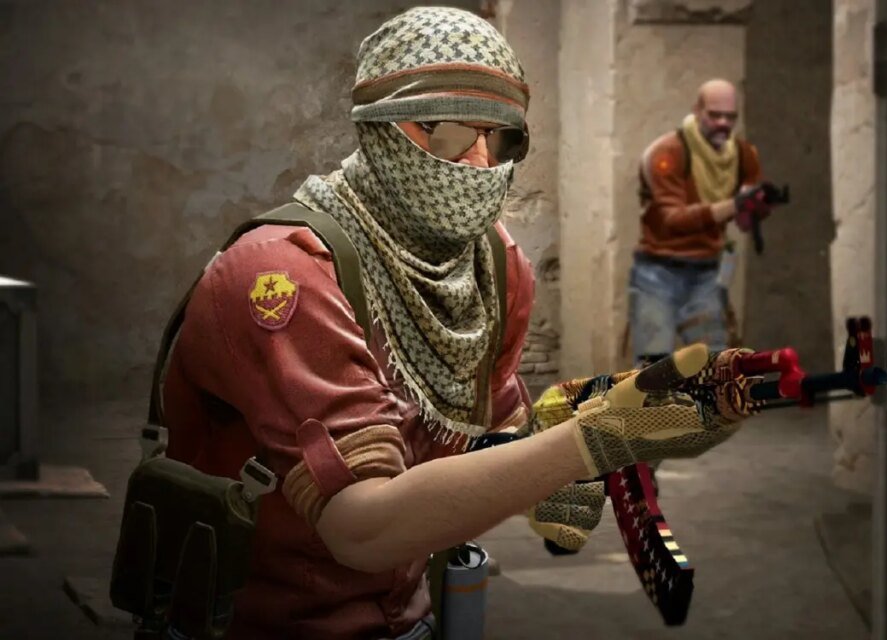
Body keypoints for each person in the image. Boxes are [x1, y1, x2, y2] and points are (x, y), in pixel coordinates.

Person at [161, 8, 761, 640]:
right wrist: (588, 441)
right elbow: (360, 529)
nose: (477, 163)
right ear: (378, 126)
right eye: (446, 133)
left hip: (412, 617)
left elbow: (487, 443)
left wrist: (585, 427)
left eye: (502, 140)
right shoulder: (283, 275)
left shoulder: (493, 266)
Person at [628, 79, 775, 366]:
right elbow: (673, 220)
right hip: (657, 272)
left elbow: (745, 222)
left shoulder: (743, 155)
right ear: (697, 111)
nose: (723, 123)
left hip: (706, 272)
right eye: (714, 115)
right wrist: (734, 204)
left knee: (714, 367)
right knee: (652, 370)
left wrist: (755, 207)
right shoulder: (667, 153)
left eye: (730, 117)